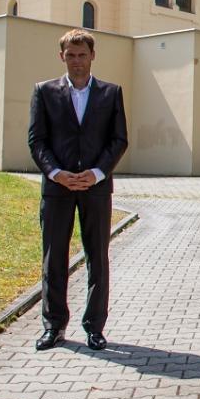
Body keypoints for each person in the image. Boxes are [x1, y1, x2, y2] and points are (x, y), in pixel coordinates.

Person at [28, 29, 128, 352]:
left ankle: (95, 327)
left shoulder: (111, 93)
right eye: (70, 55)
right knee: (53, 258)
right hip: (57, 189)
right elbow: (37, 141)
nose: (76, 61)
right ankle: (53, 326)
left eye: (82, 55)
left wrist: (97, 173)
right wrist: (56, 173)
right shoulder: (44, 92)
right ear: (62, 57)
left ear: (92, 56)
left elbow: (119, 140)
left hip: (96, 189)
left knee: (97, 258)